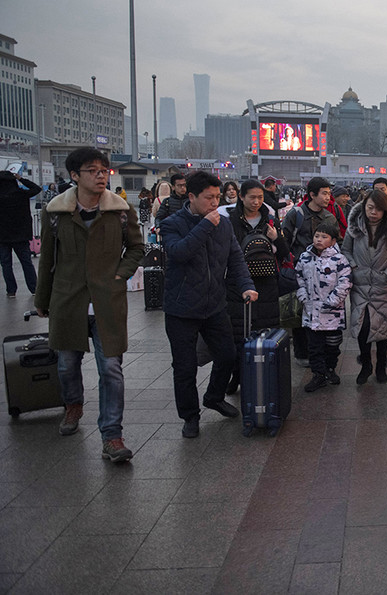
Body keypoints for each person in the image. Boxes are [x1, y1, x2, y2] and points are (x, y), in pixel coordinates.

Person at [34, 147, 145, 462]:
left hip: (107, 303)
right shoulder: (56, 213)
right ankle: (73, 404)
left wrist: (119, 276)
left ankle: (112, 436)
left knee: (111, 369)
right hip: (67, 300)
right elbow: (47, 260)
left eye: (104, 170)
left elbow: (137, 248)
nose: (100, 175)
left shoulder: (120, 211)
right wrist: (42, 299)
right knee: (67, 364)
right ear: (74, 175)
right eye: (92, 170)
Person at [160, 171, 257, 438]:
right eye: (208, 198)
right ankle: (190, 416)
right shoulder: (172, 224)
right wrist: (204, 225)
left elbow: (236, 258)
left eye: (218, 197)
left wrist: (247, 285)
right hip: (181, 308)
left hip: (214, 304)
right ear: (191, 197)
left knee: (227, 355)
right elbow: (179, 253)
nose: (215, 203)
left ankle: (214, 396)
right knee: (185, 366)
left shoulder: (222, 225)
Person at [223, 180, 290, 395]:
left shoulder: (270, 219)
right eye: (252, 197)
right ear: (241, 196)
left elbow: (284, 254)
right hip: (237, 284)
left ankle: (262, 376)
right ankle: (238, 375)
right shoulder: (230, 220)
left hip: (267, 284)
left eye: (260, 197)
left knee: (265, 331)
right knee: (238, 334)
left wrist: (276, 238)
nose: (256, 201)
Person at [342, 189, 387, 384]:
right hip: (361, 284)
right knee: (362, 327)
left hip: (385, 286)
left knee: (384, 328)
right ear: (364, 207)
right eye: (370, 208)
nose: (373, 212)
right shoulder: (355, 226)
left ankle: (381, 365)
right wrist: (354, 266)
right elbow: (345, 250)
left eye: (378, 209)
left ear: (385, 211)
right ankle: (366, 365)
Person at [283, 176, 343, 365]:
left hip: (326, 274)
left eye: (329, 193)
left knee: (325, 313)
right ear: (312, 195)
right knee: (301, 313)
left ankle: (322, 353)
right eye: (324, 193)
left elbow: (337, 243)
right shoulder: (296, 214)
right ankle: (302, 353)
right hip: (302, 271)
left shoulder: (329, 217)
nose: (328, 197)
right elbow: (285, 242)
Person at [296, 222, 352, 391]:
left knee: (332, 345)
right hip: (311, 312)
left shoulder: (339, 260)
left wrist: (333, 301)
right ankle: (318, 374)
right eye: (317, 236)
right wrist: (303, 295)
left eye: (324, 237)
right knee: (314, 346)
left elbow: (345, 282)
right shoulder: (305, 257)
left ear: (333, 241)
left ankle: (330, 369)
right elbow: (299, 276)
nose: (319, 240)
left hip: (331, 313)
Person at [0, 169, 41, 297]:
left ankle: (11, 291)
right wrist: (21, 179)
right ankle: (34, 288)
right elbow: (37, 188)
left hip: (2, 236)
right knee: (26, 262)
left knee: (6, 264)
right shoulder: (21, 194)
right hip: (21, 235)